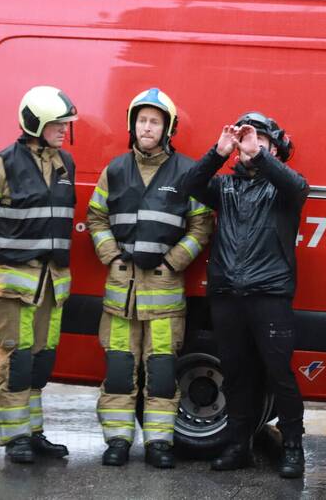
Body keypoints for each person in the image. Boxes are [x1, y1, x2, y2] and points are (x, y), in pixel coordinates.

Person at [87, 88, 214, 469]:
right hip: (121, 294)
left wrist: (175, 261)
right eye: (141, 120)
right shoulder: (115, 170)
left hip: (163, 293)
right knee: (120, 372)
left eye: (154, 121)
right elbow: (96, 217)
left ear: (167, 128)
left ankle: (159, 443)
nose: (147, 127)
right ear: (132, 125)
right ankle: (118, 442)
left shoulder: (188, 173)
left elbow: (201, 223)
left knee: (161, 373)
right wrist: (110, 255)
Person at [183, 113, 309, 479]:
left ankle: (293, 449)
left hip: (269, 296)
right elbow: (188, 183)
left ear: (273, 149)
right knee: (236, 375)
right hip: (227, 295)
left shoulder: (282, 190)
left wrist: (260, 155)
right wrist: (218, 152)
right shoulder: (225, 187)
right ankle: (238, 446)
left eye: (259, 142)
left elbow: (298, 186)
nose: (249, 148)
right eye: (245, 142)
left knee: (279, 375)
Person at [0, 86, 78, 464]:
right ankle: (15, 439)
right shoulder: (0, 166)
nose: (64, 130)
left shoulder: (65, 164)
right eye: (57, 124)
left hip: (50, 283)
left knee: (40, 363)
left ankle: (33, 432)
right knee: (15, 361)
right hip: (14, 284)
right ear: (37, 124)